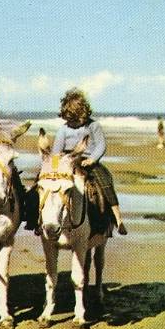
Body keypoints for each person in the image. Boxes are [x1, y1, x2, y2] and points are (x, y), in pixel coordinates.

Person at [51, 88, 127, 235]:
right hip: (67, 161)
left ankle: (117, 218)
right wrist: (54, 169)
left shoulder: (93, 126)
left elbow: (101, 145)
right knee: (43, 185)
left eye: (76, 119)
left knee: (105, 181)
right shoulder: (63, 130)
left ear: (83, 114)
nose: (73, 123)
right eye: (70, 120)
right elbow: (56, 152)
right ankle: (36, 219)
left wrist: (92, 159)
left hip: (88, 160)